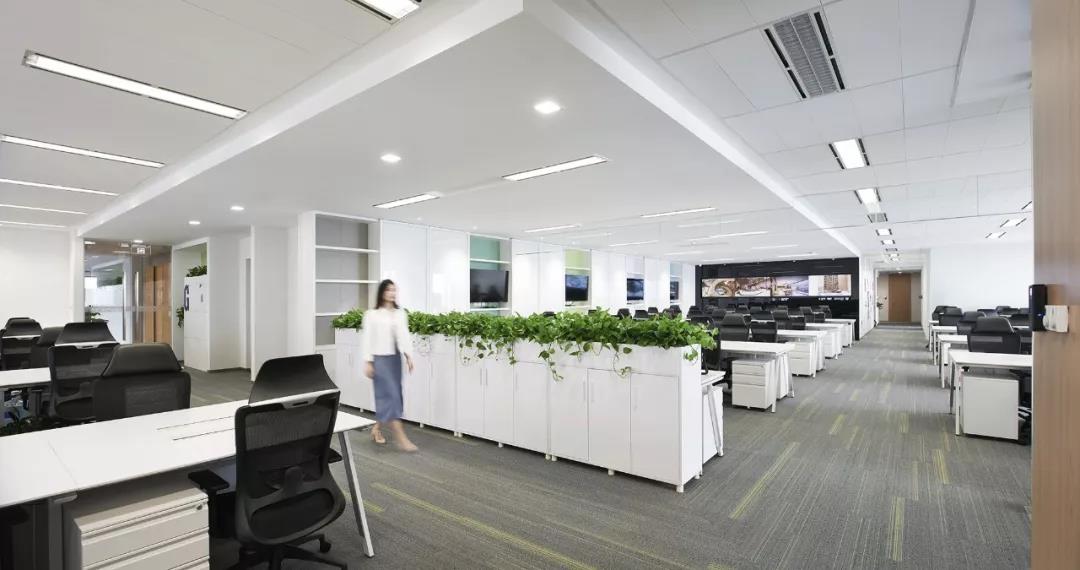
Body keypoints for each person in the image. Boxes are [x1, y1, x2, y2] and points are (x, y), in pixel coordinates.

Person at [363, 279, 417, 452]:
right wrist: (368, 361)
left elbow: (404, 336)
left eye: (394, 290)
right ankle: (402, 439)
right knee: (391, 397)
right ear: (382, 292)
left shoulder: (400, 314)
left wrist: (409, 356)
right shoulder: (372, 314)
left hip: (395, 359)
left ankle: (376, 429)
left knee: (393, 396)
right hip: (379, 359)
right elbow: (367, 339)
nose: (392, 293)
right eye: (388, 290)